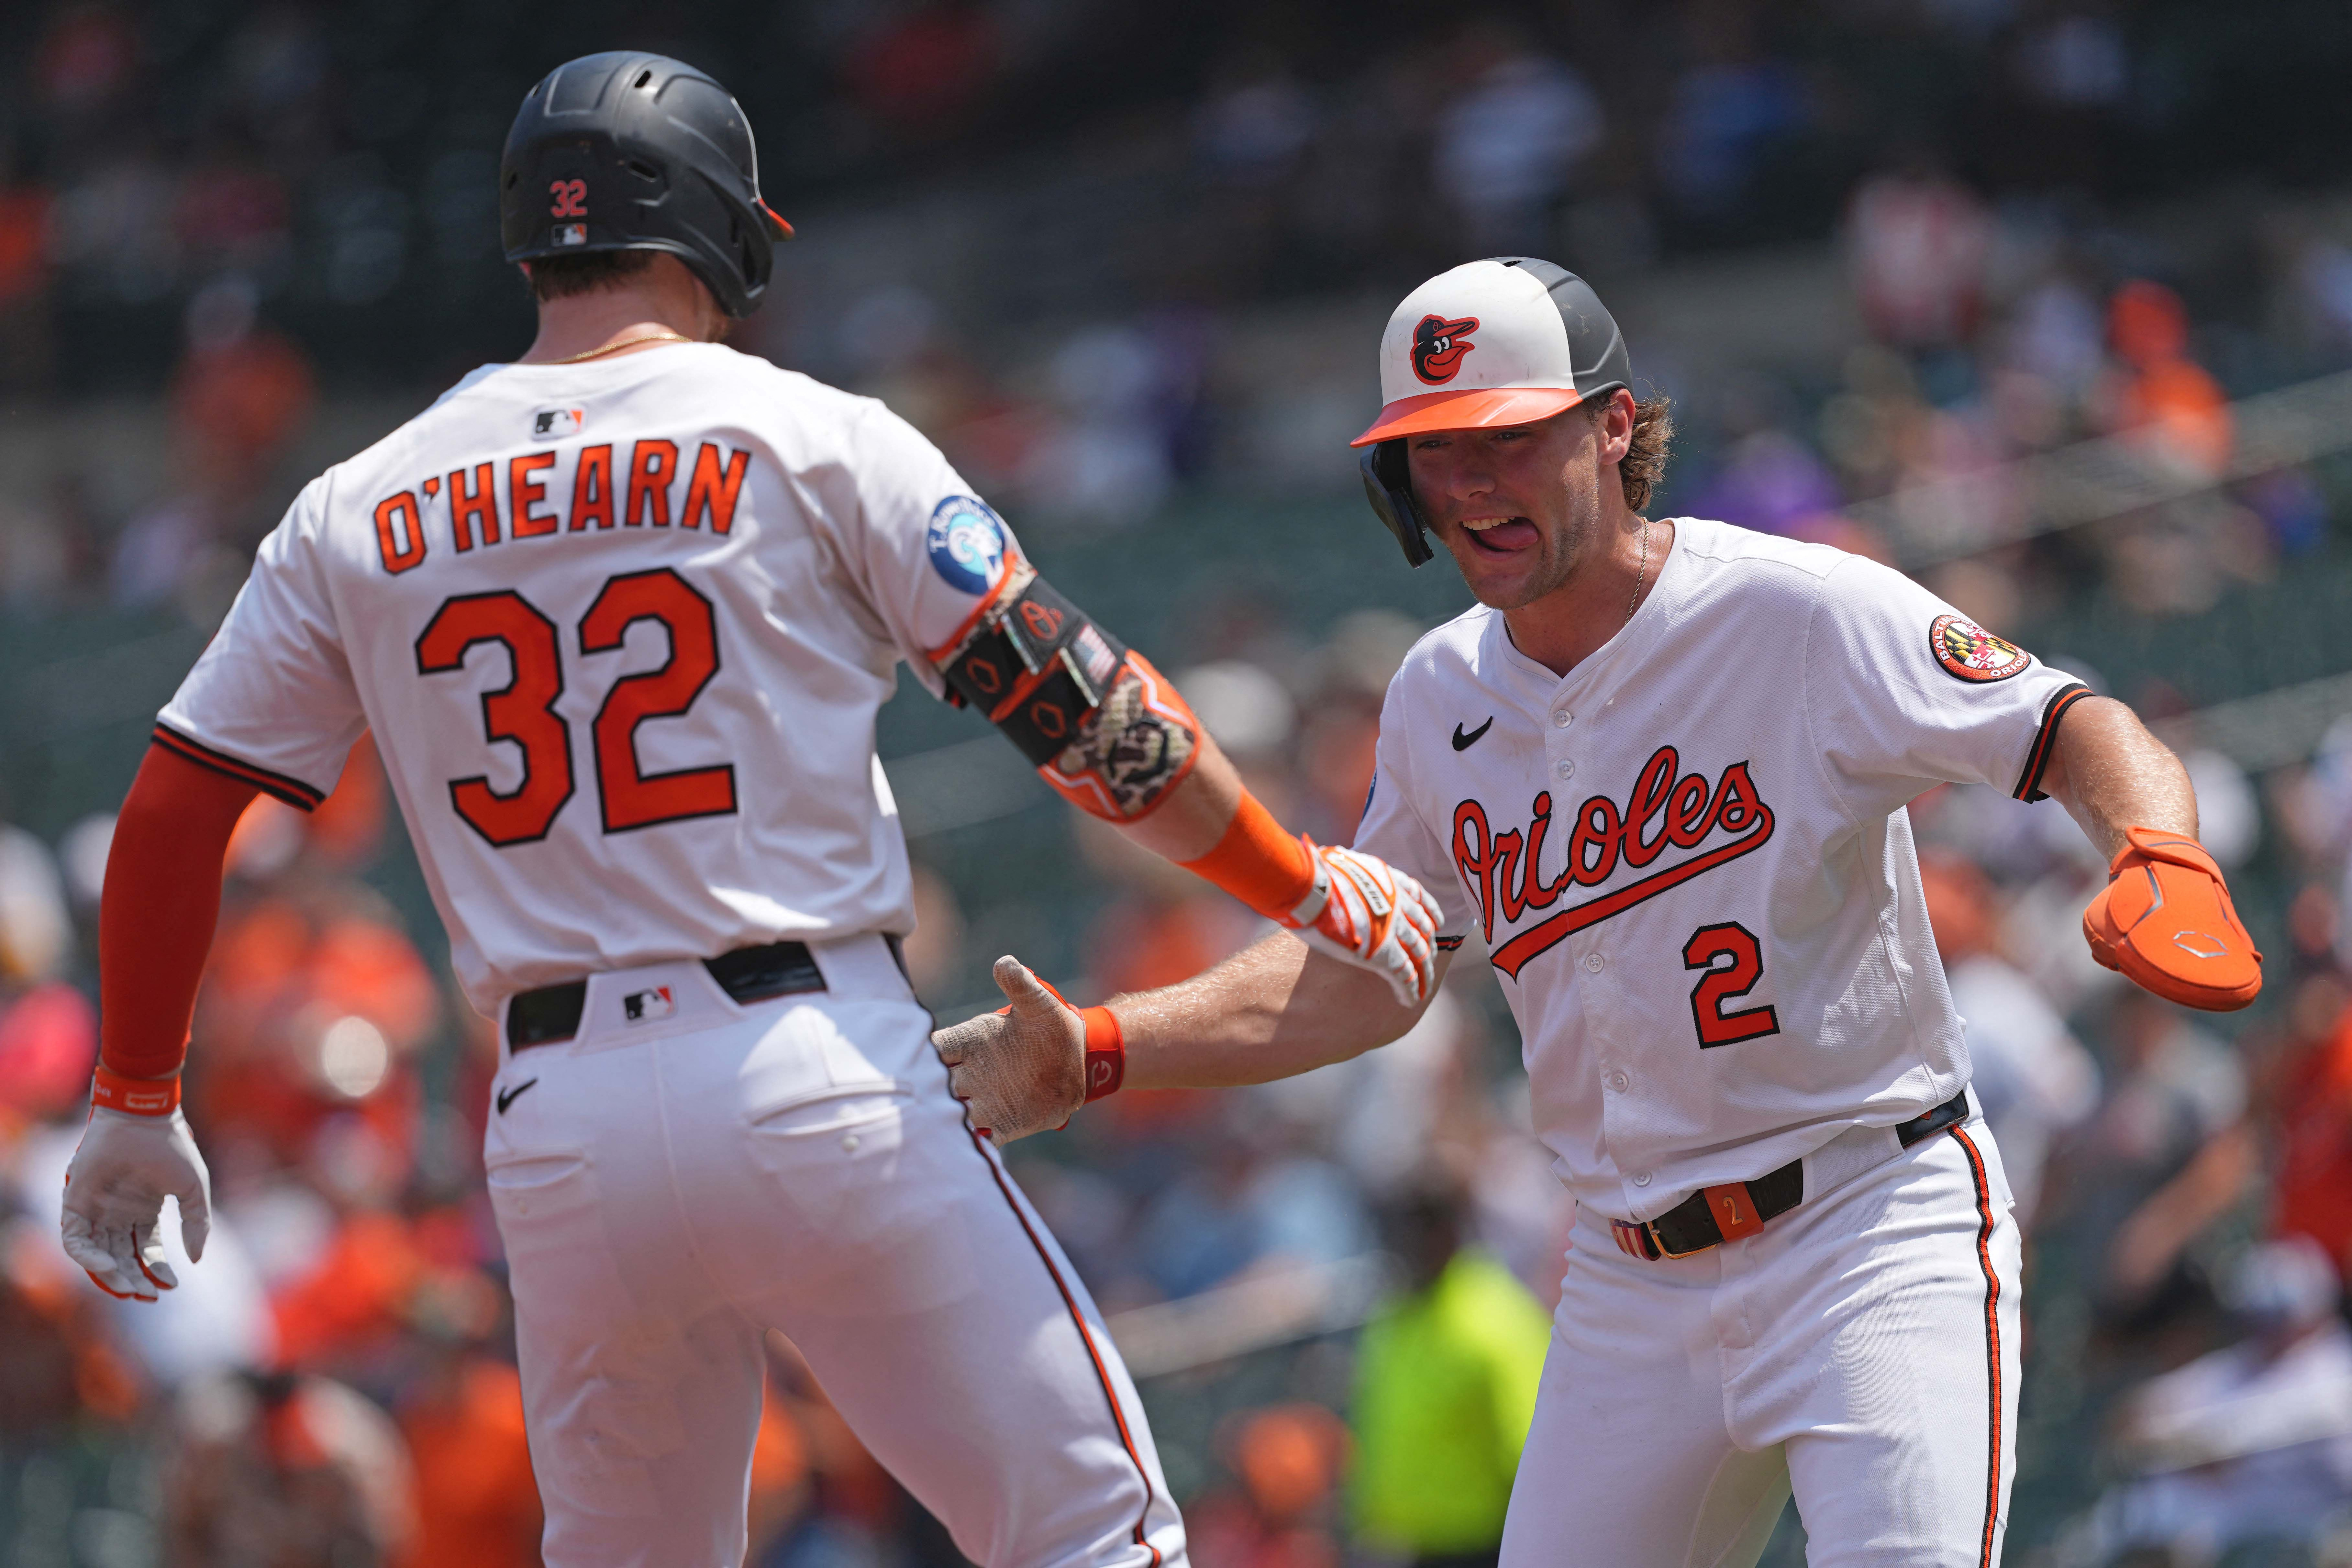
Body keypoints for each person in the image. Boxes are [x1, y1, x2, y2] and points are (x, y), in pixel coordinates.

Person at [54, 52, 1440, 1568]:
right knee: (1093, 1539)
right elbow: (1083, 714)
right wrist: (1300, 882)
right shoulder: (809, 433)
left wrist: (135, 1094)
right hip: (809, 1065)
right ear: (722, 229)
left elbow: (175, 808)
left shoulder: (358, 500)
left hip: (556, 1121)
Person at [933, 257, 2266, 1568]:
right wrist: (1103, 1047)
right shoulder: (1435, 697)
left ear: (1612, 426)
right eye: (1432, 450)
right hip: (1630, 1287)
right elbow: (1365, 969)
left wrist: (2158, 848)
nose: (1467, 483)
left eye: (1502, 439)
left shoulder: (1788, 608)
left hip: (1865, 1224)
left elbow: (2064, 722)